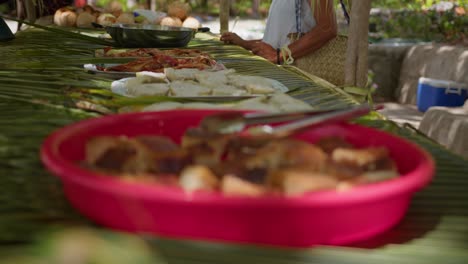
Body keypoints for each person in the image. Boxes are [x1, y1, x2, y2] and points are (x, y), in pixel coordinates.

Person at [220, 0, 338, 67]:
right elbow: (281, 39)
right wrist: (245, 43)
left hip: (300, 75)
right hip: (281, 72)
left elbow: (327, 28)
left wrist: (279, 55)